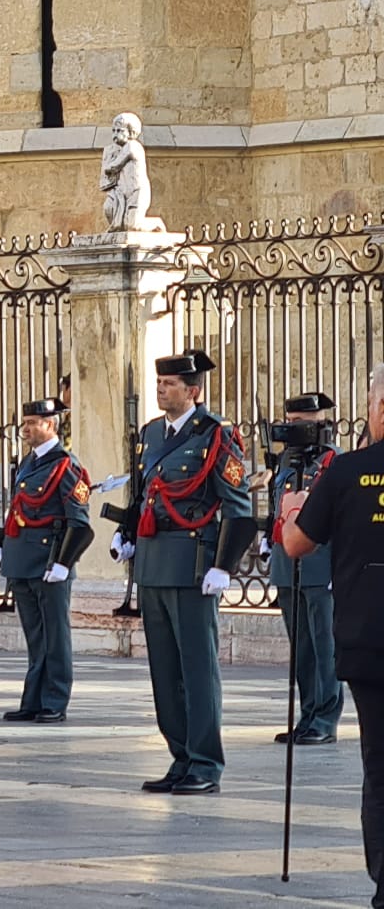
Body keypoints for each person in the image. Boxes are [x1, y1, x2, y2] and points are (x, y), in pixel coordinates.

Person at [110, 350, 253, 795]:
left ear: (193, 391)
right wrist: (128, 533)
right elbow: (144, 494)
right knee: (164, 672)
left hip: (193, 567)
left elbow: (240, 509)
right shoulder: (151, 434)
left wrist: (224, 567)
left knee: (197, 670)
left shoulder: (215, 436)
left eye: (170, 384)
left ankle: (206, 763)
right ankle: (180, 757)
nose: (161, 389)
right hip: (153, 564)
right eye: (159, 383)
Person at [285, 362, 384, 908]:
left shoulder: (346, 472)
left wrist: (286, 514)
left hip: (370, 642)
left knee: (382, 771)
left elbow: (298, 544)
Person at [0, 398, 92, 724]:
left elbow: (78, 521)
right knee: (35, 635)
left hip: (49, 562)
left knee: (55, 634)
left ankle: (54, 699)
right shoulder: (29, 462)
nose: (25, 429)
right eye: (24, 423)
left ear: (49, 425)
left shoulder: (66, 465)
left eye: (31, 423)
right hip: (23, 560)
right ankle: (34, 699)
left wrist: (64, 562)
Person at [261, 392, 343, 745]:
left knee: (324, 645)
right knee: (302, 648)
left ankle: (325, 718)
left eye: (300, 424)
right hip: (287, 564)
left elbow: (343, 518)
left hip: (321, 563)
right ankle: (308, 714)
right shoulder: (284, 461)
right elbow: (276, 505)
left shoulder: (335, 462)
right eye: (289, 422)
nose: (292, 429)